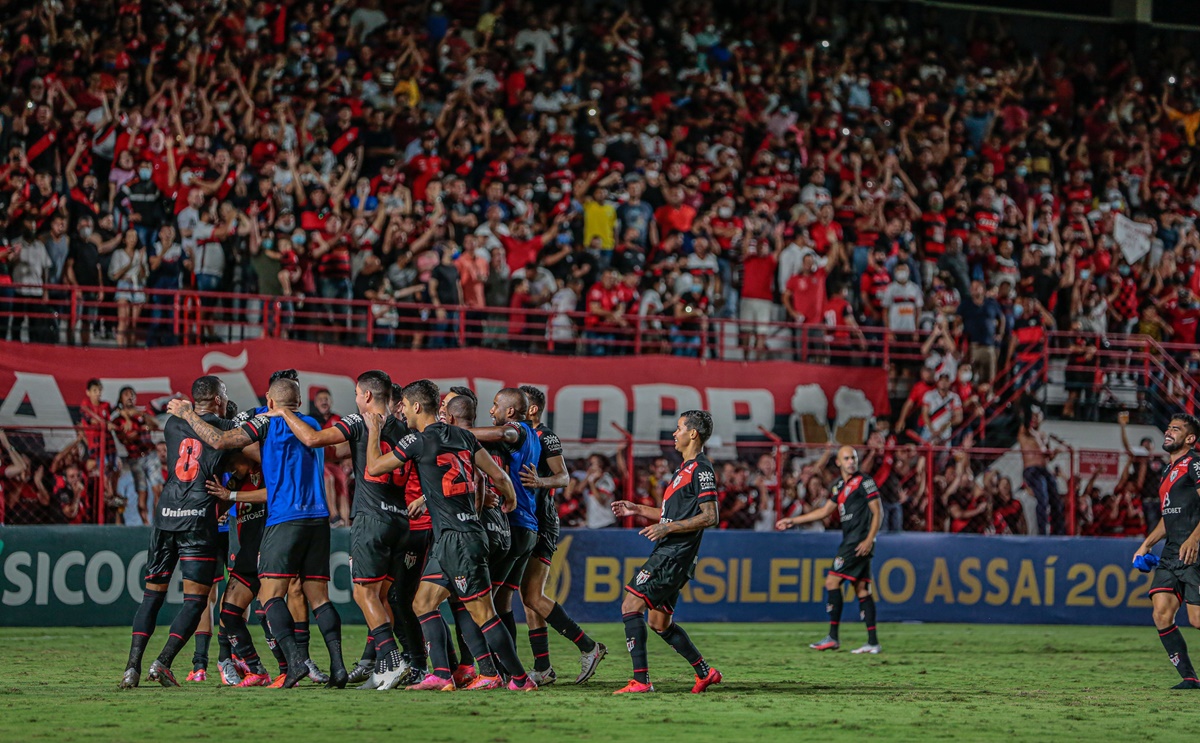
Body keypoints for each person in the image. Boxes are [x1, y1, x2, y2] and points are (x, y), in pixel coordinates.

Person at [168, 374, 348, 689]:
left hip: (284, 519)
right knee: (318, 598)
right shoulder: (313, 425)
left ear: (269, 401)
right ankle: (338, 668)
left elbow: (221, 441)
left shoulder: (265, 424)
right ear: (300, 402)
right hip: (319, 520)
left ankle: (293, 664)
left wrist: (187, 414)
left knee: (271, 596)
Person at [363, 379, 538, 691]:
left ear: (416, 407)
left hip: (459, 539)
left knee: (483, 612)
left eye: (404, 405)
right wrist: (509, 497)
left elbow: (375, 467)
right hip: (454, 536)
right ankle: (443, 675)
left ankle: (520, 679)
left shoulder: (415, 441)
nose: (401, 410)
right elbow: (497, 475)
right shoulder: (463, 437)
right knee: (422, 603)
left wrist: (374, 431)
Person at [271, 370, 415, 690]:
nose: (354, 399)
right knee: (381, 597)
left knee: (363, 593)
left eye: (355, 394)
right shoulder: (405, 428)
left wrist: (283, 412)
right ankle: (383, 666)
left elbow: (312, 439)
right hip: (401, 520)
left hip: (371, 519)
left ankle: (392, 659)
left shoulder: (359, 420)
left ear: (365, 396)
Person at [119, 376, 237, 688]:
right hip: (197, 517)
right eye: (223, 394)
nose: (226, 398)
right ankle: (163, 662)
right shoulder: (223, 428)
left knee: (151, 597)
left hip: (166, 515)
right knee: (196, 600)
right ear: (214, 399)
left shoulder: (172, 424)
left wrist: (185, 413)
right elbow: (225, 450)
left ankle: (131, 668)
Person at [610, 410, 723, 694]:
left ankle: (641, 681)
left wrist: (667, 529)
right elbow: (667, 515)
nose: (675, 433)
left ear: (693, 433)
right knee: (659, 622)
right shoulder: (682, 470)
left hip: (675, 552)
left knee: (630, 605)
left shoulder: (701, 469)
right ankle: (705, 673)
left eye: (679, 428)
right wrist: (637, 509)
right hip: (673, 550)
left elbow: (711, 516)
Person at [517, 385, 606, 685]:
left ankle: (588, 646)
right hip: (527, 519)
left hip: (542, 519)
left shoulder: (546, 436)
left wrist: (539, 481)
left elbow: (564, 477)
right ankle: (542, 668)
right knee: (528, 596)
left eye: (521, 403)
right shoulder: (519, 435)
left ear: (532, 409)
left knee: (531, 595)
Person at [776, 445, 883, 655]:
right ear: (839, 462)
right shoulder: (839, 485)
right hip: (852, 540)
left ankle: (833, 637)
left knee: (832, 581)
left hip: (857, 541)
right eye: (847, 458)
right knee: (862, 590)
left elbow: (877, 512)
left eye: (853, 457)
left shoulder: (865, 481)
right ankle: (872, 642)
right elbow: (825, 511)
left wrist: (870, 539)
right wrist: (793, 520)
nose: (851, 461)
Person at [1132, 414, 1200, 689]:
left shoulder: (1195, 464)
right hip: (1173, 552)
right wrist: (1147, 544)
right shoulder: (1165, 471)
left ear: (1190, 438)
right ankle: (1190, 678)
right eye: (1169, 427)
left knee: (1197, 620)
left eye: (1177, 429)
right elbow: (1168, 517)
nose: (1169, 431)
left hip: (1194, 551)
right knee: (1161, 613)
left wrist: (1195, 539)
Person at [1019, 408, 1062, 535]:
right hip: (1032, 470)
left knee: (1056, 499)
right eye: (1033, 416)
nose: (1035, 419)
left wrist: (1055, 453)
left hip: (1043, 469)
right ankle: (1042, 532)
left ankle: (1058, 531)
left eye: (1038, 416)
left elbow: (1048, 457)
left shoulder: (1043, 436)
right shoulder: (1025, 433)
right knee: (1042, 498)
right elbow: (1025, 425)